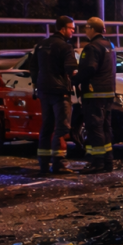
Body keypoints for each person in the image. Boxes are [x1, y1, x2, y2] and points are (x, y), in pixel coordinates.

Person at [27, 15, 78, 175]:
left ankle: (43, 164)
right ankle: (59, 163)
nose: (73, 32)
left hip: (43, 91)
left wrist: (36, 83)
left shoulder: (41, 45)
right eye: (71, 29)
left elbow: (33, 67)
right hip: (60, 92)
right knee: (62, 127)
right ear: (63, 29)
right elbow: (71, 69)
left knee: (47, 127)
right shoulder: (65, 47)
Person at [74, 17, 117, 174]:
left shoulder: (92, 47)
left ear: (92, 29)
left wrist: (74, 79)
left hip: (94, 94)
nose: (85, 31)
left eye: (86, 28)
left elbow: (89, 68)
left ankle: (97, 162)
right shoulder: (110, 45)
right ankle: (108, 161)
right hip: (108, 92)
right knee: (105, 127)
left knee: (94, 127)